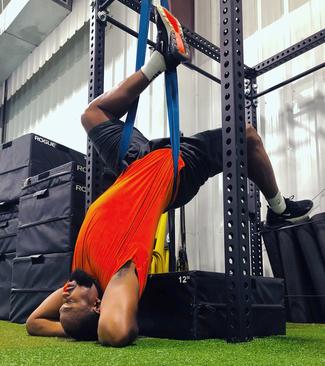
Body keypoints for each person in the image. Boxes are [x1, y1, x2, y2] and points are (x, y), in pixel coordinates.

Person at [25, 6, 313, 347]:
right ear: (100, 305)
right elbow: (114, 332)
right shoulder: (120, 275)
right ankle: (278, 208)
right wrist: (93, 327)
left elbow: (34, 323)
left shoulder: (80, 274)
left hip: (132, 163)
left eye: (64, 302)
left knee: (92, 115)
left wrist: (72, 325)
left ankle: (160, 60)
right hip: (174, 170)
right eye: (71, 302)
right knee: (246, 137)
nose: (66, 294)